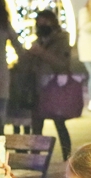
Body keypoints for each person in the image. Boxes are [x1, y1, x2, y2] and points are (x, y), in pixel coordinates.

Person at [23, 9, 73, 160]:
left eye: (45, 22)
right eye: (39, 22)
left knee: (60, 124)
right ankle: (35, 159)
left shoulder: (62, 40)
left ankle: (68, 158)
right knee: (36, 127)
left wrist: (41, 53)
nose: (42, 25)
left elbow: (63, 64)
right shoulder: (38, 40)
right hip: (37, 89)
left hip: (54, 89)